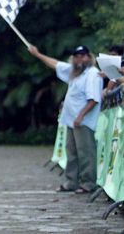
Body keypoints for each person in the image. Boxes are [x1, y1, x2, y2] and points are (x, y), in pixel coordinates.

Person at [28, 44, 103, 193]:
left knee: (85, 152)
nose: (80, 59)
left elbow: (93, 99)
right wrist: (38, 55)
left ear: (89, 58)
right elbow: (56, 64)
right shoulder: (74, 72)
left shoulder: (92, 74)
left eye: (83, 56)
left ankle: (88, 183)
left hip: (83, 121)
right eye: (77, 56)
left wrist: (81, 115)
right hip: (71, 120)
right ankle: (71, 181)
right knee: (72, 152)